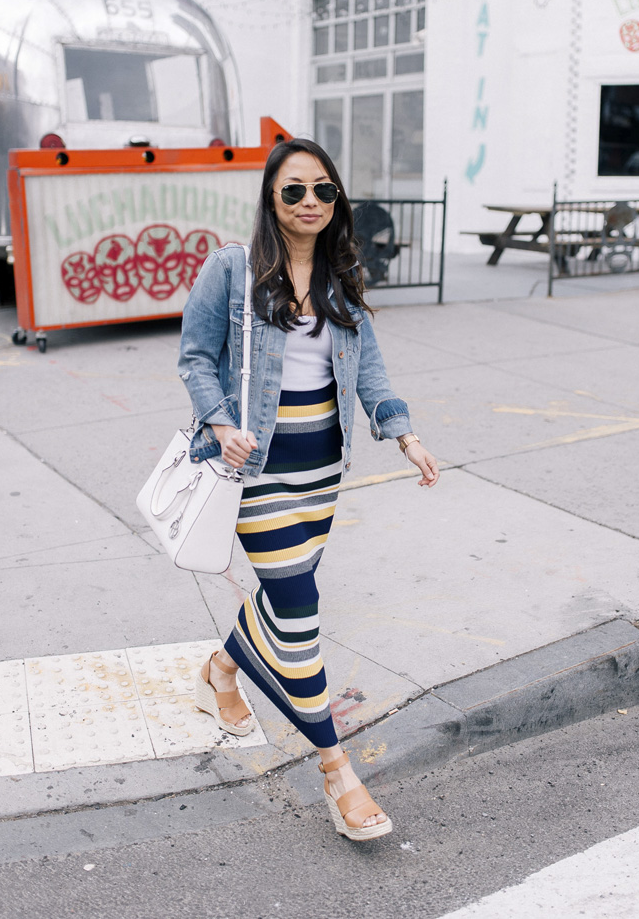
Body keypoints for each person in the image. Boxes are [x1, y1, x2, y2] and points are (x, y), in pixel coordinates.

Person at [178, 137, 439, 841]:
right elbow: (195, 357)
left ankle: (220, 670)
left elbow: (369, 370)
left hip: (322, 469)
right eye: (293, 190)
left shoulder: (342, 272)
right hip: (255, 471)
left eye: (322, 190)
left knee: (280, 601)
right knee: (298, 610)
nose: (309, 203)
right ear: (270, 196)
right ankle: (336, 771)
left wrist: (403, 433)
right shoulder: (232, 269)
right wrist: (221, 419)